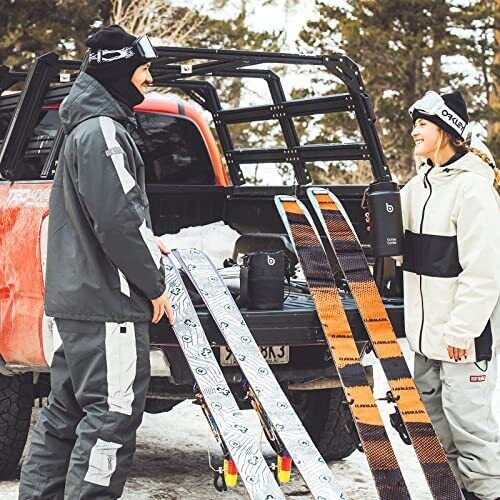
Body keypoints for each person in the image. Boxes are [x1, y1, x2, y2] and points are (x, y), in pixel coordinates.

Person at [19, 25, 174, 499]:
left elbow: (107, 215)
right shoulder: (102, 130)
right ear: (120, 72)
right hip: (109, 305)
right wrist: (154, 284)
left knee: (64, 414)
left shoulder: (84, 127)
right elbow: (119, 217)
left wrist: (148, 242)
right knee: (112, 415)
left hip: (79, 302)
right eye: (143, 69)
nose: (148, 79)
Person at [401, 89, 500, 500]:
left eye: (422, 124)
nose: (414, 131)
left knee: (470, 430)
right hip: (426, 340)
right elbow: (397, 244)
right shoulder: (417, 187)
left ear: (445, 129)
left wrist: (462, 330)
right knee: (436, 431)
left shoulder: (473, 190)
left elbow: (485, 271)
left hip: (462, 338)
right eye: (415, 123)